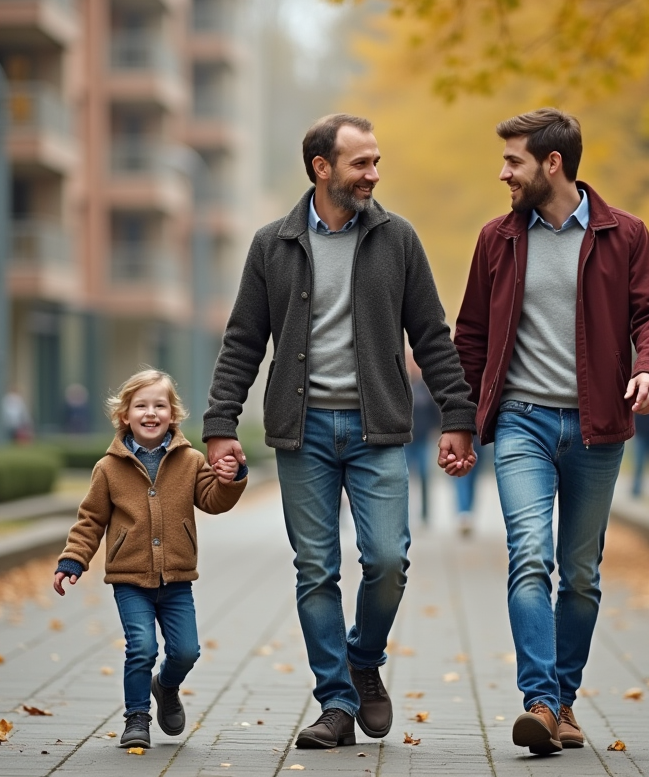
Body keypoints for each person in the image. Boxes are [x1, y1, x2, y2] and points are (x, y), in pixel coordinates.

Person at [201, 114, 478, 749]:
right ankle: (336, 702)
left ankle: (364, 656)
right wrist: (220, 425)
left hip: (376, 428)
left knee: (387, 561)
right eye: (361, 164)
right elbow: (243, 341)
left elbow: (432, 335)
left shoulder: (397, 239)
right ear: (322, 168)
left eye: (376, 162)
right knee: (315, 570)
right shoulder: (273, 245)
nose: (373, 174)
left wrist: (458, 418)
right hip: (302, 435)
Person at [455, 108, 649, 755]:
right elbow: (469, 336)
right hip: (522, 420)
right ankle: (541, 700)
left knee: (581, 573)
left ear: (552, 163)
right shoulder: (497, 239)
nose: (503, 174)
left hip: (597, 427)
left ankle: (565, 703)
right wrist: (460, 422)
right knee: (530, 555)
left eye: (513, 162)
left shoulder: (625, 235)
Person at [52, 368, 247, 749]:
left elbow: (213, 501)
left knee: (186, 651)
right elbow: (90, 520)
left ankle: (166, 685)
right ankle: (136, 718)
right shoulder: (108, 468)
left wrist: (231, 476)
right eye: (141, 405)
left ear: (173, 415)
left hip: (176, 579)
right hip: (130, 580)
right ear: (124, 415)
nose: (151, 412)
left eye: (160, 405)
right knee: (140, 647)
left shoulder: (190, 460)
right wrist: (72, 560)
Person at [405, 351, 440, 526]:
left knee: (425, 475)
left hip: (423, 439)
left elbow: (435, 411)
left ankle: (425, 514)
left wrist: (437, 430)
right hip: (404, 440)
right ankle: (403, 513)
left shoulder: (426, 388)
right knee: (403, 478)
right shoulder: (402, 386)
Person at [453, 436, 486, 536]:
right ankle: (464, 511)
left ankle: (467, 511)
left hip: (478, 437)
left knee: (473, 477)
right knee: (462, 471)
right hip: (461, 433)